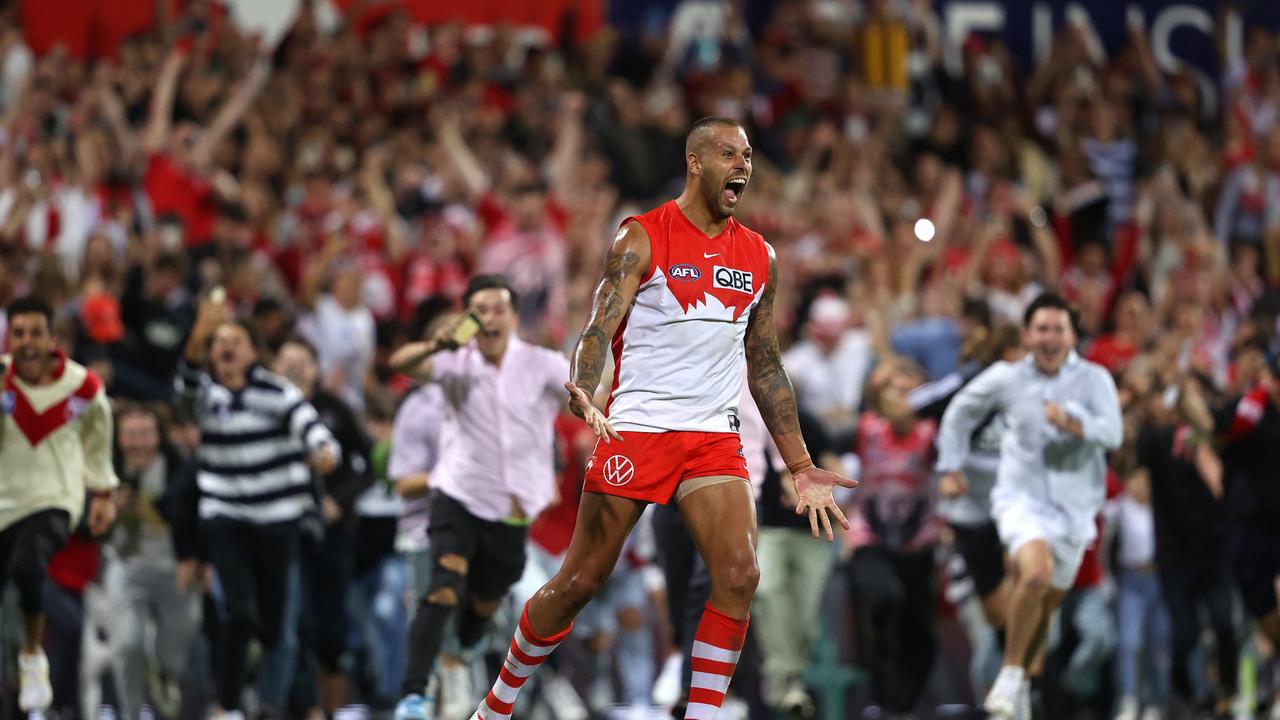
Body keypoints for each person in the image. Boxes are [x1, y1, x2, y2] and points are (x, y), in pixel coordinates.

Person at [471, 117, 854, 720]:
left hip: (712, 437)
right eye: (729, 153)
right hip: (638, 428)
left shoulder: (760, 256)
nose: (743, 165)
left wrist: (801, 463)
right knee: (578, 584)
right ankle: (496, 706)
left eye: (748, 155)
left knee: (738, 575)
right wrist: (586, 388)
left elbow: (767, 366)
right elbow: (598, 326)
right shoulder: (640, 237)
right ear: (695, 162)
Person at [388, 274, 570, 720]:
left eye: (497, 309)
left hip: (511, 512)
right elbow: (401, 363)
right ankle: (413, 696)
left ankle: (468, 646)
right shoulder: (456, 362)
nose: (489, 318)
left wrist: (590, 406)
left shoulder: (542, 363)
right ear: (470, 317)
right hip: (457, 495)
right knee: (443, 586)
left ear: (512, 316)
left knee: (487, 602)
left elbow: (581, 390)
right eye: (480, 310)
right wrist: (435, 346)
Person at [936, 292, 1123, 719]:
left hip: (1076, 510)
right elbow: (960, 411)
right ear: (1027, 335)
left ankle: (1019, 683)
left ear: (1072, 335)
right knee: (1034, 572)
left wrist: (1073, 423)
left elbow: (1113, 435)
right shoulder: (1007, 378)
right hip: (1020, 500)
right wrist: (950, 465)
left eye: (1058, 328)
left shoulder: (1095, 380)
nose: (1050, 336)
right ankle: (1011, 675)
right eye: (1041, 328)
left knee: (1045, 610)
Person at [175, 297, 340, 720]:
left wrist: (323, 450)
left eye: (235, 340)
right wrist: (197, 339)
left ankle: (265, 706)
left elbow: (309, 426)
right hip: (225, 516)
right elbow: (184, 395)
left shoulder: (275, 391)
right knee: (239, 611)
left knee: (273, 629)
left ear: (252, 351)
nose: (225, 348)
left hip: (276, 521)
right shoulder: (205, 396)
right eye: (219, 341)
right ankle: (227, 705)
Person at [0, 295, 119, 712]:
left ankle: (33, 656)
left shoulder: (83, 386)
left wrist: (102, 492)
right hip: (3, 502)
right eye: (19, 334)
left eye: (36, 332)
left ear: (52, 337)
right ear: (8, 338)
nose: (28, 343)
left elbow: (98, 440)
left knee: (29, 564)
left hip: (54, 497)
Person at [272, 335, 375, 716]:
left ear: (316, 369)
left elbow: (370, 466)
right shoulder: (268, 408)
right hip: (284, 532)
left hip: (333, 535)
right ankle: (304, 707)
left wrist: (339, 500)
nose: (295, 370)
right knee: (294, 623)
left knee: (331, 627)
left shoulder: (335, 410)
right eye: (287, 363)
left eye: (303, 363)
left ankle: (329, 709)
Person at [105, 403, 202, 720]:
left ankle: (165, 676)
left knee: (179, 636)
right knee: (127, 644)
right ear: (118, 438)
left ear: (159, 437)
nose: (139, 443)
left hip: (173, 567)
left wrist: (197, 558)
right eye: (131, 435)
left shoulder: (178, 466)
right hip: (125, 565)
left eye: (146, 434)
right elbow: (82, 526)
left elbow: (198, 515)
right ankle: (129, 712)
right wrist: (110, 512)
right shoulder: (107, 467)